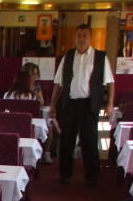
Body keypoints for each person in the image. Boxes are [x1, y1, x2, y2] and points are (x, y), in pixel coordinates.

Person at [49, 23, 115, 186]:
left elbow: (110, 83)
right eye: (78, 35)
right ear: (74, 37)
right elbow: (58, 84)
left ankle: (91, 177)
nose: (81, 38)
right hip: (69, 104)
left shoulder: (100, 57)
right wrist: (52, 105)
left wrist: (110, 104)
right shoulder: (68, 56)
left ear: (90, 38)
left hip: (89, 105)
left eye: (85, 35)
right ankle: (65, 175)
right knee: (66, 141)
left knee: (90, 142)